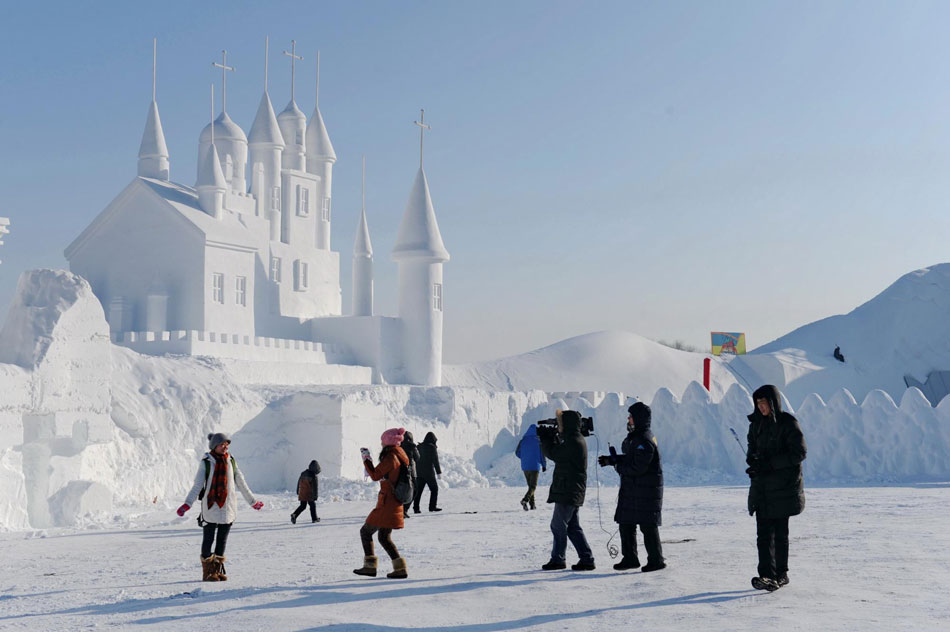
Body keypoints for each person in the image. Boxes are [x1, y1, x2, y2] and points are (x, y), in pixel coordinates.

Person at [177, 432, 263, 581]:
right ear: (214, 446)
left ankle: (216, 570)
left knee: (222, 540)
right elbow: (197, 485)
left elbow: (241, 483)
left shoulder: (231, 461)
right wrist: (187, 504)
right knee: (208, 539)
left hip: (228, 506)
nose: (225, 447)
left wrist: (252, 501)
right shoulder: (206, 462)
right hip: (211, 506)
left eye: (227, 444)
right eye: (222, 444)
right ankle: (208, 572)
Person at [746, 384, 807, 592]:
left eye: (764, 403)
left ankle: (781, 574)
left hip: (783, 488)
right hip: (762, 488)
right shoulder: (756, 425)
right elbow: (752, 449)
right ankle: (766, 574)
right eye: (758, 403)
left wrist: (771, 464)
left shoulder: (787, 423)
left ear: (773, 402)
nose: (761, 407)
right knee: (763, 534)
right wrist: (753, 463)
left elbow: (799, 452)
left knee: (779, 534)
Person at [598, 402, 666, 572]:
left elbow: (638, 467)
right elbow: (631, 457)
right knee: (625, 522)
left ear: (639, 419)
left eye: (631, 416)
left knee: (647, 525)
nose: (628, 419)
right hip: (634, 490)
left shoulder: (645, 439)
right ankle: (630, 558)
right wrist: (612, 459)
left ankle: (656, 560)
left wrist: (618, 467)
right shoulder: (638, 437)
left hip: (646, 491)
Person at [538, 410, 595, 571]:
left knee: (558, 525)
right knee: (572, 527)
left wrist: (546, 439)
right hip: (570, 488)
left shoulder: (574, 441)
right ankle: (586, 558)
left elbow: (555, 453)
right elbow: (562, 450)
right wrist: (554, 436)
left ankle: (558, 559)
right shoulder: (574, 439)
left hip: (568, 489)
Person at [353, 427, 411, 579]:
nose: (381, 443)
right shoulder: (400, 453)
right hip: (393, 501)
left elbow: (375, 475)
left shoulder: (391, 457)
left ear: (388, 442)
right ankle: (400, 569)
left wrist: (366, 459)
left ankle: (370, 567)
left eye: (382, 441)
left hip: (387, 503)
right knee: (384, 537)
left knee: (365, 532)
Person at [515, 424, 546, 510]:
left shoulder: (523, 440)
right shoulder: (538, 441)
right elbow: (542, 454)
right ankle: (525, 500)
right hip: (534, 466)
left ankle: (533, 505)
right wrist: (544, 465)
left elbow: (517, 452)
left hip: (525, 466)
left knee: (530, 486)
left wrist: (524, 458)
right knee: (533, 486)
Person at [413, 432, 442, 513]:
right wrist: (438, 472)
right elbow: (435, 461)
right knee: (434, 489)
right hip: (429, 473)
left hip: (419, 472)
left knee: (418, 491)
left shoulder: (419, 446)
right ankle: (432, 507)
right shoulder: (432, 448)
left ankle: (416, 508)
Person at [291, 459, 321, 524]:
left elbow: (298, 482)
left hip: (302, 493)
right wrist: (315, 496)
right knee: (312, 505)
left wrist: (297, 491)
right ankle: (314, 519)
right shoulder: (314, 476)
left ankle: (294, 515)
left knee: (303, 506)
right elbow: (315, 488)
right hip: (309, 494)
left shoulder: (303, 473)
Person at [400, 431, 420, 519]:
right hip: (411, 472)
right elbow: (417, 457)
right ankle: (404, 510)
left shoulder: (399, 446)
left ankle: (400, 510)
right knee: (414, 490)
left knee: (402, 491)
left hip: (401, 471)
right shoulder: (412, 446)